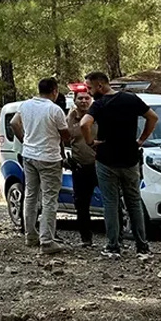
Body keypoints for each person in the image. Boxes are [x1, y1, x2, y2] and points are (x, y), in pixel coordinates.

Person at [79, 71, 159, 259]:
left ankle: (113, 246)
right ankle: (142, 246)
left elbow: (84, 124)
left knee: (110, 202)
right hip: (130, 158)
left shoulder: (99, 105)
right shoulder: (131, 99)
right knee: (134, 202)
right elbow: (153, 117)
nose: (89, 93)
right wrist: (141, 139)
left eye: (89, 88)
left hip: (106, 159)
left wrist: (90, 142)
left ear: (100, 86)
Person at [11, 77, 71, 255]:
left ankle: (30, 235)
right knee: (49, 198)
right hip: (49, 158)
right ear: (54, 91)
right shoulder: (55, 110)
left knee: (30, 195)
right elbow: (65, 135)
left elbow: (14, 123)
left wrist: (25, 140)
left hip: (29, 155)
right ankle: (47, 240)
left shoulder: (26, 105)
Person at [66, 89, 99, 246]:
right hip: (80, 167)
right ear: (75, 101)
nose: (84, 101)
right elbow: (62, 139)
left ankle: (117, 238)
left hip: (100, 165)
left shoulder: (98, 115)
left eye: (87, 98)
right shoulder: (70, 118)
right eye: (80, 98)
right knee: (81, 204)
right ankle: (86, 239)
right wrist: (65, 159)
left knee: (112, 201)